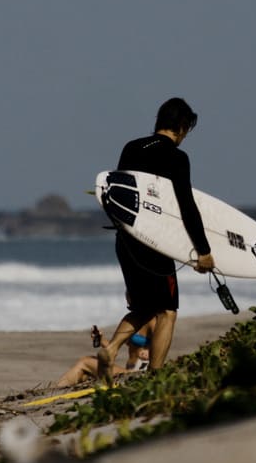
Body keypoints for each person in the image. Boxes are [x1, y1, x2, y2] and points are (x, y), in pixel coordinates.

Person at [97, 97, 215, 380]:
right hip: (154, 242)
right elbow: (187, 206)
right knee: (167, 311)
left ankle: (111, 348)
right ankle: (157, 377)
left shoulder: (132, 147)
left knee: (143, 307)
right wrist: (203, 250)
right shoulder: (177, 157)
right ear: (183, 126)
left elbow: (119, 195)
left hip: (125, 240)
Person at [55, 323, 153, 387]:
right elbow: (114, 347)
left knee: (85, 361)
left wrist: (150, 351)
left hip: (139, 372)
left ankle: (56, 389)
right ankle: (58, 390)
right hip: (130, 369)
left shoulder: (153, 320)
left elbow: (162, 343)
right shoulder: (136, 319)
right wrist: (100, 339)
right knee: (83, 374)